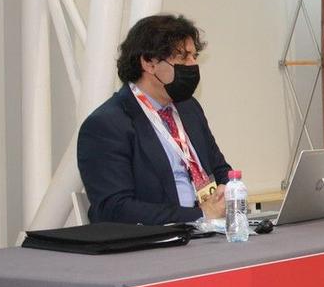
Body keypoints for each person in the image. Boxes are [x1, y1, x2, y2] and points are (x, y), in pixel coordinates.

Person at [77, 14, 231, 224]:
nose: (193, 64)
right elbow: (114, 208)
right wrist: (200, 215)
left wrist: (231, 192)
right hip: (158, 238)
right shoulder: (106, 125)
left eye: (194, 56)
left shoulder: (189, 108)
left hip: (209, 231)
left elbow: (220, 170)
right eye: (183, 57)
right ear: (149, 63)